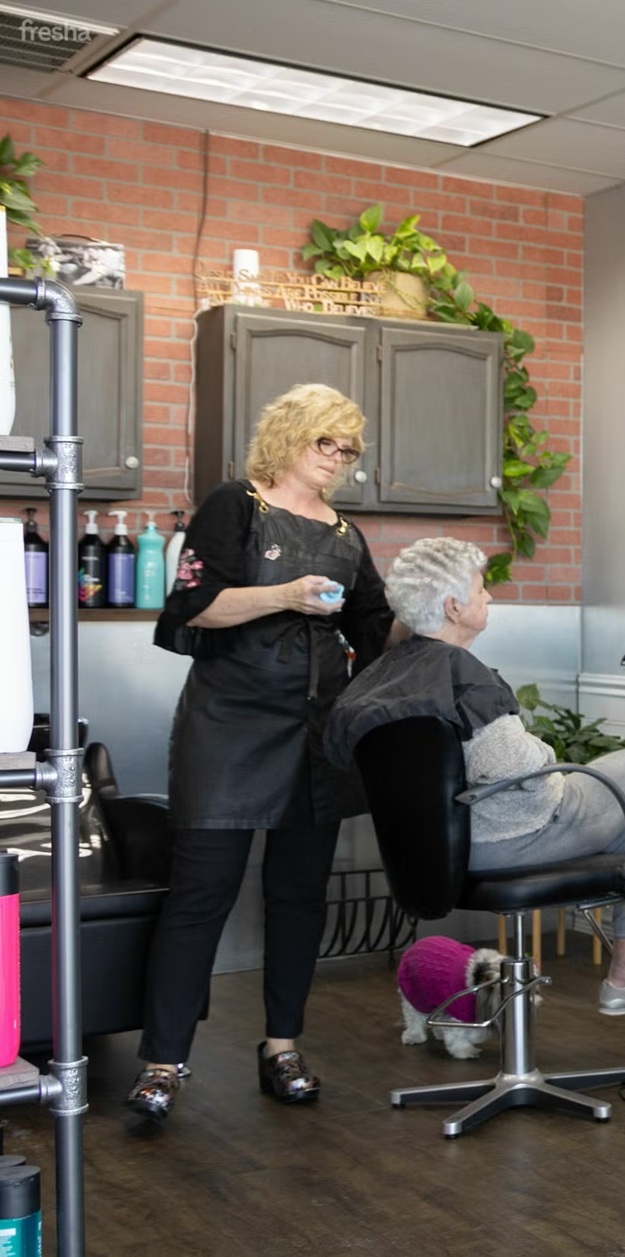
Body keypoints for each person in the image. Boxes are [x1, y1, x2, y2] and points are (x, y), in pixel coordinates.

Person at [131, 383, 400, 1122]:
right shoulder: (234, 506)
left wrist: (438, 616)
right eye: (328, 442)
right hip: (229, 726)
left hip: (317, 735)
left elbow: (377, 631)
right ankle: (163, 1061)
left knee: (297, 898)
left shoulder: (346, 534)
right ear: (290, 435)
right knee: (199, 897)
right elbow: (193, 609)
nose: (339, 459)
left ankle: (282, 1046)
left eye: (349, 449)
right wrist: (285, 594)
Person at [323, 537, 625, 1012]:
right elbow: (526, 774)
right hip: (517, 833)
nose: (489, 597)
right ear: (454, 607)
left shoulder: (383, 676)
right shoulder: (462, 675)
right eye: (481, 590)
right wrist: (540, 745)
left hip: (436, 850)